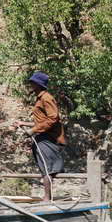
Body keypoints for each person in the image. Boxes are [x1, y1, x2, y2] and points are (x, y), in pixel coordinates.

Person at [13, 71, 66, 202]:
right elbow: (42, 121)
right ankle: (47, 197)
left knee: (47, 168)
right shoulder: (40, 98)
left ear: (38, 84)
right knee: (44, 167)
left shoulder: (46, 98)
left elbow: (53, 118)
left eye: (32, 82)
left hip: (49, 138)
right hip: (43, 137)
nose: (30, 84)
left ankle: (47, 198)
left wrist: (33, 130)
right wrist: (23, 123)